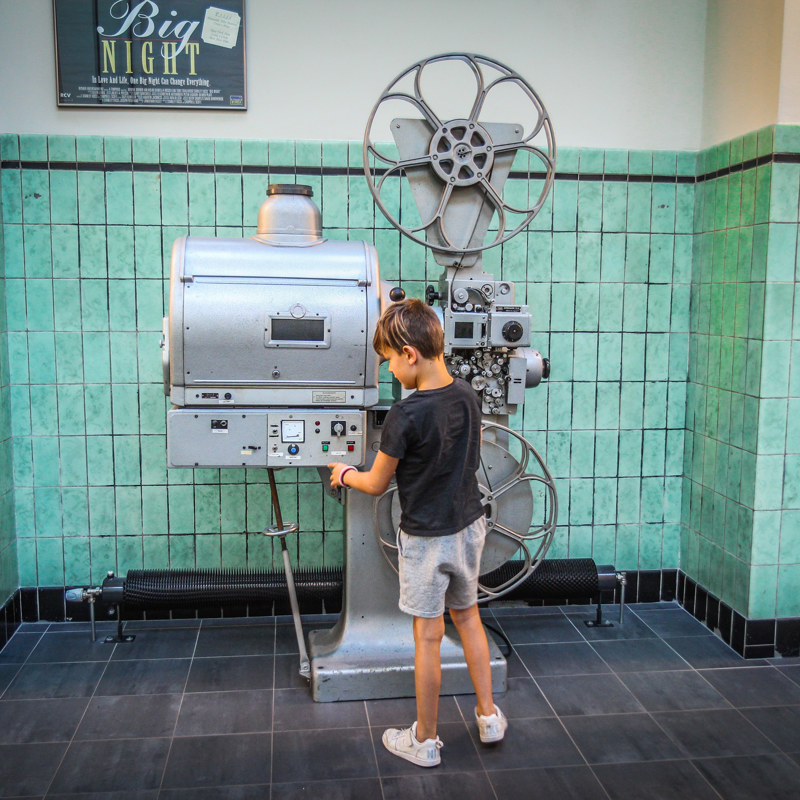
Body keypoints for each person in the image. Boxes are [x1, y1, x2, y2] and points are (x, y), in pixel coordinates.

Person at [328, 297, 507, 768]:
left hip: (427, 540)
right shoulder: (467, 394)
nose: (389, 370)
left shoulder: (404, 416)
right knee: (468, 619)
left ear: (410, 354)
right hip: (469, 526)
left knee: (428, 637)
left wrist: (345, 473)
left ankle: (424, 741)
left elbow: (375, 484)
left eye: (389, 359)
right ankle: (489, 716)